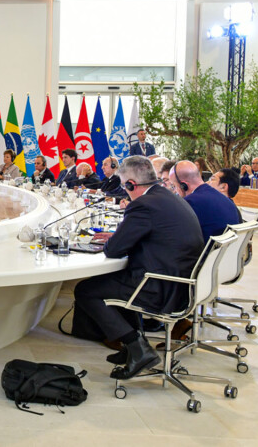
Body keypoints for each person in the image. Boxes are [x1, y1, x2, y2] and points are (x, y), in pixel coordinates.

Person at [73, 156, 205, 379]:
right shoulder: (164, 196)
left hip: (160, 287)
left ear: (131, 184)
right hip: (180, 282)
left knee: (86, 291)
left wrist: (113, 239)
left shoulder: (142, 205)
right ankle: (131, 346)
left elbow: (113, 251)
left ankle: (138, 348)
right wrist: (121, 235)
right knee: (116, 279)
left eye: (125, 187)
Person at [170, 160, 240, 243]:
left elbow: (176, 237)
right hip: (223, 253)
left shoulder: (190, 202)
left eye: (174, 186)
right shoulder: (226, 200)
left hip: (204, 254)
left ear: (184, 185)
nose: (174, 191)